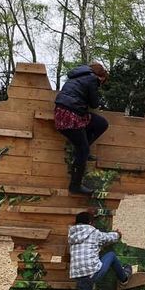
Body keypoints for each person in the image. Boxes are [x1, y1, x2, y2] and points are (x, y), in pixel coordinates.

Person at [54, 63, 109, 196]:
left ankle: (80, 150)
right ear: (100, 76)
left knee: (101, 124)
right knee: (83, 150)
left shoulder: (77, 76)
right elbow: (94, 103)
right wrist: (97, 88)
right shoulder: (92, 79)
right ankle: (75, 185)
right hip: (70, 115)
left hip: (69, 112)